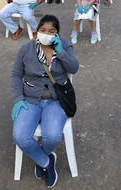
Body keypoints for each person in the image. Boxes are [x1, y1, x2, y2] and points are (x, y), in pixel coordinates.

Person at [11, 15, 79, 188]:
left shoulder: (64, 44)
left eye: (51, 31)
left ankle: (41, 156)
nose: (46, 34)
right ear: (37, 31)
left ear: (56, 33)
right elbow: (16, 75)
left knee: (52, 136)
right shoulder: (26, 49)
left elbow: (74, 68)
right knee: (20, 136)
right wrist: (19, 98)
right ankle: (46, 162)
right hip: (31, 99)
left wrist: (61, 52)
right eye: (43, 30)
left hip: (56, 100)